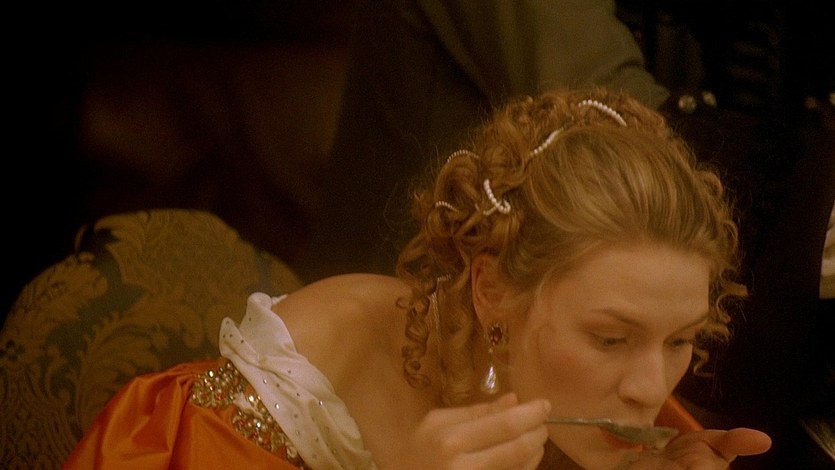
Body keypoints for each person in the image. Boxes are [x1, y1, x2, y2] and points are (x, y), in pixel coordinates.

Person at [64, 87, 772, 469]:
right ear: (491, 289)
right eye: (611, 339)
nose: (652, 389)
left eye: (680, 340)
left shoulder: (623, 416)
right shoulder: (301, 380)